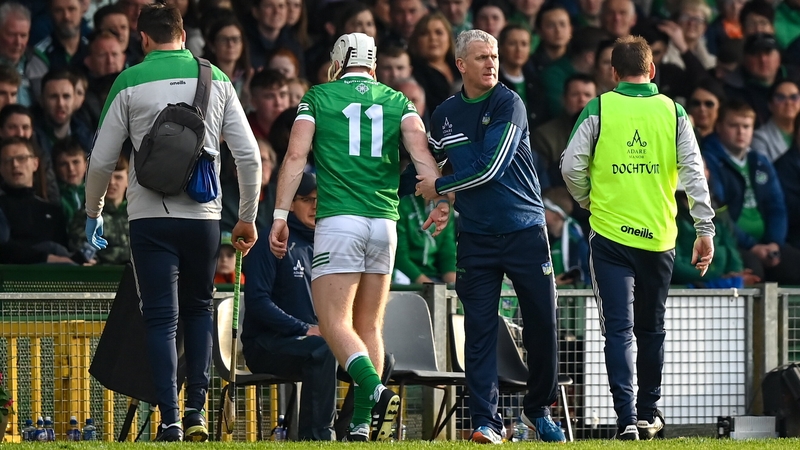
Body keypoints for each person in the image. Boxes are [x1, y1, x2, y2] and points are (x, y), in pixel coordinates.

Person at [83, 3, 261, 442]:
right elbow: (251, 157)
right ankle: (198, 410)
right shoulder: (216, 78)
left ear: (142, 38)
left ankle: (170, 419)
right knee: (199, 309)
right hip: (204, 217)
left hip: (148, 219)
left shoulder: (127, 81)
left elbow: (102, 162)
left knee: (161, 319)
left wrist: (94, 213)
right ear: (183, 33)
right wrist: (247, 219)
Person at [269, 32, 447, 442]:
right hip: (385, 223)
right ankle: (362, 425)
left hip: (339, 221)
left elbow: (295, 157)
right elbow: (423, 159)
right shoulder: (400, 101)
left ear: (339, 60)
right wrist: (442, 200)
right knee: (370, 325)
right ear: (374, 63)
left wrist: (280, 214)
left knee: (333, 323)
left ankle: (375, 388)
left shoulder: (317, 97)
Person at [561, 35, 715, 440]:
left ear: (613, 73)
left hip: (610, 236)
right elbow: (694, 174)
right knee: (652, 330)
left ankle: (626, 418)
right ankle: (648, 413)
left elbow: (570, 165)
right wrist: (704, 229)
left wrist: (589, 200)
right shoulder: (674, 111)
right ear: (652, 71)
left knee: (618, 330)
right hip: (659, 239)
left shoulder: (599, 107)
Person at [415, 29, 566, 444]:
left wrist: (441, 187)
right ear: (461, 64)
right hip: (477, 238)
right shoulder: (445, 113)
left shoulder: (508, 102)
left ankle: (537, 411)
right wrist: (443, 201)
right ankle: (487, 421)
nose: (491, 63)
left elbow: (490, 167)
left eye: (494, 56)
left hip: (525, 230)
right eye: (481, 57)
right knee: (479, 329)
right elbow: (434, 157)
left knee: (542, 323)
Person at [243, 172, 337, 441]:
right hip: (266, 344)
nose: (316, 206)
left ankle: (350, 434)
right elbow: (258, 302)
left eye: (322, 199)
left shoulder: (327, 243)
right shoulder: (271, 241)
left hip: (314, 341)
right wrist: (304, 328)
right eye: (308, 199)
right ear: (290, 204)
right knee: (322, 350)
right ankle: (316, 439)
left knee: (376, 357)